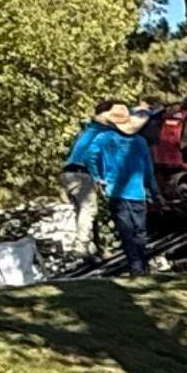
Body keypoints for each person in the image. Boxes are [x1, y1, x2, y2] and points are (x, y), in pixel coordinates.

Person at [102, 103, 158, 275]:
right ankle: (142, 263)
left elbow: (101, 165)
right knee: (139, 231)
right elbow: (148, 170)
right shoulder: (140, 143)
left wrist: (102, 181)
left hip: (116, 193)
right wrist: (155, 192)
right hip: (137, 193)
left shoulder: (106, 141)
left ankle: (135, 265)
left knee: (126, 232)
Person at [61, 103, 122, 250]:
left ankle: (92, 248)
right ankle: (81, 246)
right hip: (82, 173)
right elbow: (92, 157)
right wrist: (98, 178)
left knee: (81, 211)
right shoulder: (101, 131)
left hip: (68, 173)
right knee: (89, 210)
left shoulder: (87, 130)